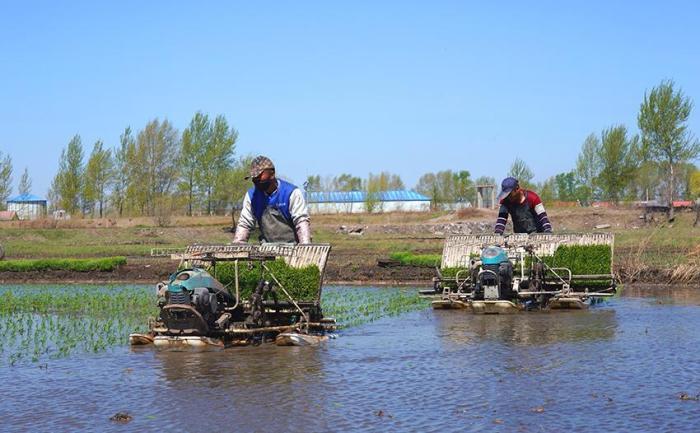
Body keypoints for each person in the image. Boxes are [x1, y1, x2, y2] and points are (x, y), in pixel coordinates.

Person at [232, 156, 312, 244]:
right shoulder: (252, 196)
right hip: (267, 248)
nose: (256, 180)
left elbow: (301, 221)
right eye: (254, 178)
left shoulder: (291, 193)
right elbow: (245, 223)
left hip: (293, 247)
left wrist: (305, 247)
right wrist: (238, 245)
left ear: (272, 174)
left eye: (259, 176)